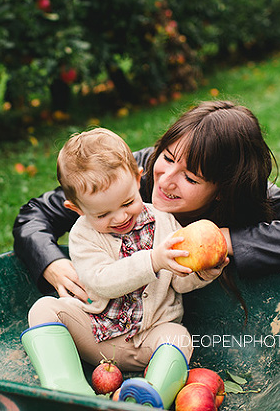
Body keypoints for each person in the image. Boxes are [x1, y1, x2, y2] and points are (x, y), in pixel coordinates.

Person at [13, 99, 280, 304]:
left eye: (191, 178)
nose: (166, 180)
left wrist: (224, 239)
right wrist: (50, 262)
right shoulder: (133, 176)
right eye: (168, 157)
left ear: (223, 188)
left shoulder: (249, 197)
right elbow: (36, 214)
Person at [20, 128, 226, 408]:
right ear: (77, 208)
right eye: (102, 214)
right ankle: (67, 389)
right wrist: (153, 260)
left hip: (149, 339)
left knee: (179, 336)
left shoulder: (163, 221)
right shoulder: (83, 235)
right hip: (97, 335)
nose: (120, 217)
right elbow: (101, 280)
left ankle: (151, 395)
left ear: (138, 178)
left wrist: (202, 273)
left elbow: (178, 281)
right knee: (43, 309)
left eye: (128, 202)